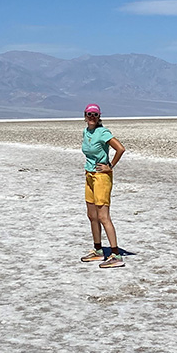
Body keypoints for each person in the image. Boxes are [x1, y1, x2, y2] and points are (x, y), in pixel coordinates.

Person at [79, 104, 128, 268]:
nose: (92, 117)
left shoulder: (103, 132)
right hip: (89, 175)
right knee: (92, 215)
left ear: (99, 116)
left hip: (101, 177)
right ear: (85, 116)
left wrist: (110, 166)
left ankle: (115, 254)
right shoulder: (86, 132)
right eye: (89, 114)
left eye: (95, 114)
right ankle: (98, 250)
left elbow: (120, 149)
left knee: (103, 216)